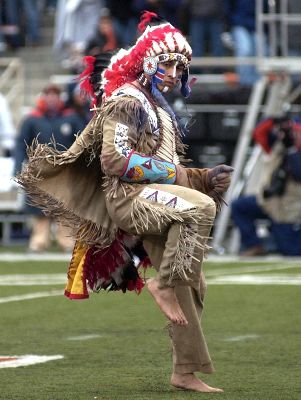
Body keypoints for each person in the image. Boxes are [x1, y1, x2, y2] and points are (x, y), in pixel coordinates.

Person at [17, 12, 233, 392]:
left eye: (180, 67)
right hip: (128, 199)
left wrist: (202, 176)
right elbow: (115, 161)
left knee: (193, 282)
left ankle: (184, 371)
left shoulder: (158, 109)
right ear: (147, 61)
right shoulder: (127, 101)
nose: (173, 73)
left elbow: (167, 169)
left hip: (153, 197)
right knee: (201, 208)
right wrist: (179, 180)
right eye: (166, 63)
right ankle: (163, 285)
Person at [14, 84, 85, 252]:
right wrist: (18, 166)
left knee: (66, 209)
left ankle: (67, 243)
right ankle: (39, 242)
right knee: (40, 209)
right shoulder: (32, 119)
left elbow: (83, 142)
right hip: (40, 173)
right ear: (43, 97)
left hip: (65, 172)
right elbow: (20, 144)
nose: (52, 99)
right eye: (48, 95)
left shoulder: (71, 118)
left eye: (55, 95)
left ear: (59, 98)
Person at [231, 115, 301, 256]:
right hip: (269, 202)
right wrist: (274, 121)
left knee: (291, 252)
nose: (293, 135)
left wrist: (293, 150)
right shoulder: (278, 146)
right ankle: (254, 245)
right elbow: (259, 133)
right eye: (291, 132)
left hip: (291, 208)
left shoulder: (293, 151)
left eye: (296, 132)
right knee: (239, 206)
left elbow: (298, 172)